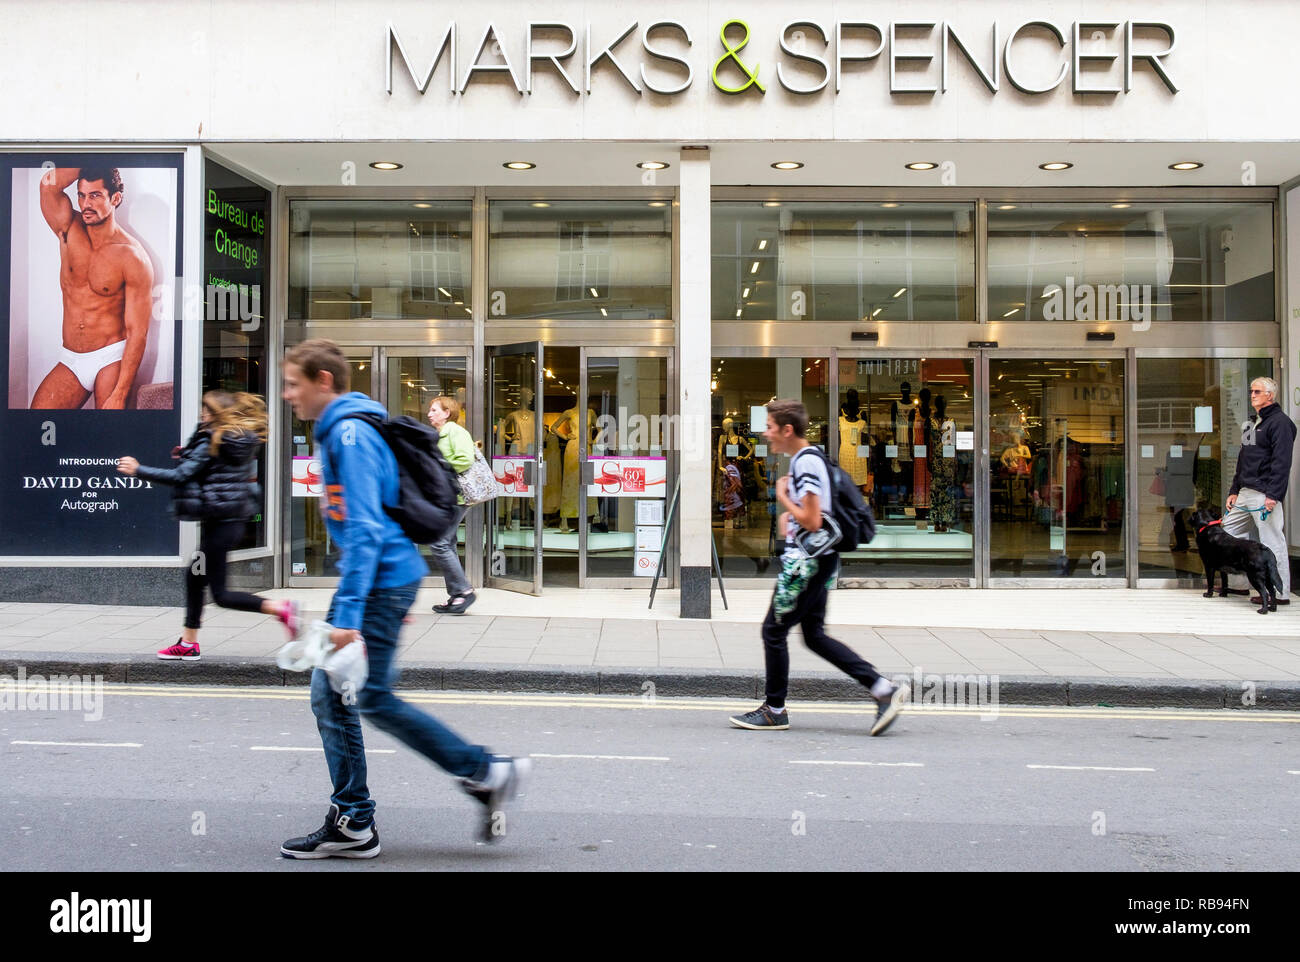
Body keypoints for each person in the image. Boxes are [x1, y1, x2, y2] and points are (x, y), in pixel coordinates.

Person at [279, 339, 529, 858]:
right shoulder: (346, 429)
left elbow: (366, 529)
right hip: (381, 583)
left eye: (292, 383)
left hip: (374, 584)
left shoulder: (348, 433)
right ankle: (363, 814)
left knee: (361, 697)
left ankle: (473, 774)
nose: (286, 394)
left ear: (323, 381)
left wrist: (351, 614)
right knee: (339, 696)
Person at [730, 398, 910, 735]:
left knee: (773, 631)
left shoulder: (805, 464)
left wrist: (783, 497)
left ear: (787, 429)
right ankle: (883, 689)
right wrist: (791, 515)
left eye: (770, 427)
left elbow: (813, 521)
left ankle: (774, 709)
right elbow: (817, 517)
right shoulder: (810, 459)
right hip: (821, 560)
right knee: (813, 635)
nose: (767, 433)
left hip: (807, 566)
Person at [117, 391, 299, 660]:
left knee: (221, 594)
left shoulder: (212, 439)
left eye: (205, 410)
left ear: (214, 413)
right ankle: (189, 642)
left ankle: (280, 608)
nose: (201, 414)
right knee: (195, 577)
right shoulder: (233, 439)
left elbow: (181, 476)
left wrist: (138, 470)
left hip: (220, 525)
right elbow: (208, 468)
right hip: (228, 522)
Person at [33, 167, 153, 409]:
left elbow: (137, 332)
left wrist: (120, 393)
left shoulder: (132, 256)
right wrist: (92, 157)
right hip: (70, 358)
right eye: (81, 195)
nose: (86, 204)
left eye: (95, 195)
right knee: (36, 423)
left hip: (110, 357)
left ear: (115, 198)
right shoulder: (68, 227)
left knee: (107, 435)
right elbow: (48, 185)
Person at [1224, 376, 1296, 604]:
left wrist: (1274, 495)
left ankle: (1281, 593)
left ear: (1270, 395)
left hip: (1264, 493)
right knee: (1230, 531)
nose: (1252, 395)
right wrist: (1234, 489)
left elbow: (1282, 462)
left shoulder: (1281, 423)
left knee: (1272, 539)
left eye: (1257, 392)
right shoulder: (1251, 423)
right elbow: (1242, 459)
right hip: (1244, 492)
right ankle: (1239, 585)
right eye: (1251, 391)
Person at [426, 394, 477, 615]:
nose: (429, 414)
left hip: (456, 497)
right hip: (445, 496)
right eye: (430, 410)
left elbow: (466, 459)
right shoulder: (439, 434)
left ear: (447, 413)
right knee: (448, 543)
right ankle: (457, 595)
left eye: (434, 410)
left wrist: (438, 469)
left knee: (439, 543)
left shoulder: (456, 432)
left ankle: (464, 591)